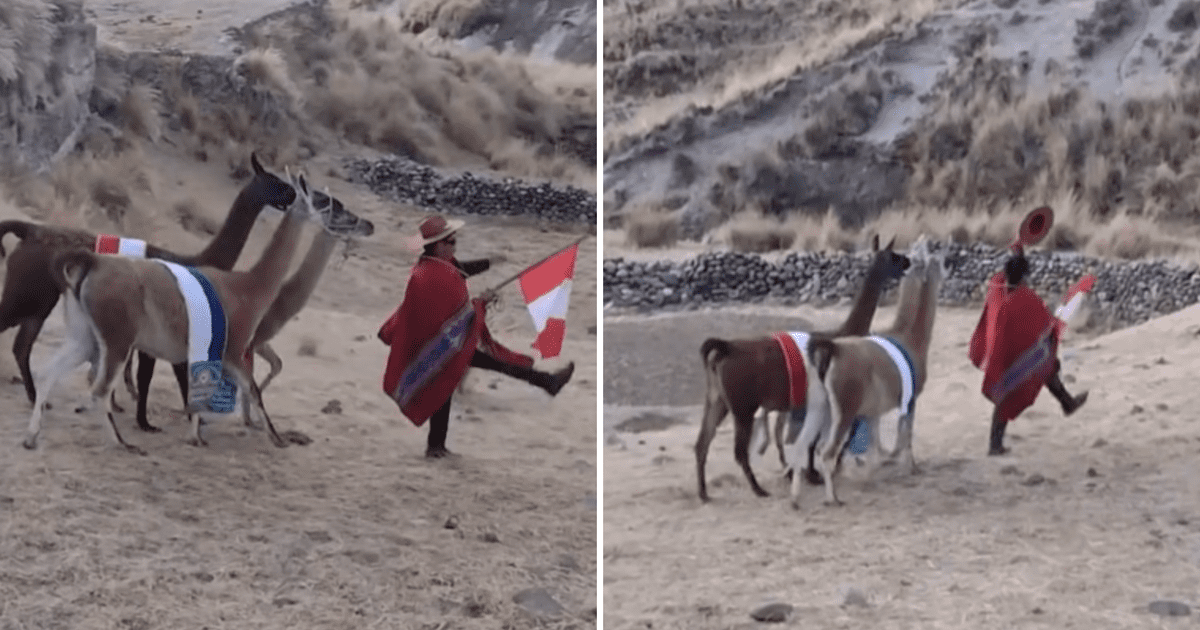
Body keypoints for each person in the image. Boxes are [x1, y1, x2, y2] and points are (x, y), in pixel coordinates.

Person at [379, 215, 575, 458]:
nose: (455, 245)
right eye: (451, 241)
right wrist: (481, 303)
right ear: (439, 244)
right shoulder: (431, 276)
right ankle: (547, 382)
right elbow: (456, 314)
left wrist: (490, 262)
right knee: (460, 377)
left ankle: (547, 382)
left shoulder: (435, 265)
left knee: (462, 377)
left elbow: (459, 272)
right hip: (438, 345)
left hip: (445, 344)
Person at [968, 248, 1088, 456]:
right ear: (1024, 276)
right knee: (1016, 388)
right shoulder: (1026, 298)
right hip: (1021, 356)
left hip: (1006, 356)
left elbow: (998, 281)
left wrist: (1017, 252)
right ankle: (994, 446)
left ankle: (1067, 402)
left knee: (1043, 369)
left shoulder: (1001, 294)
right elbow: (1045, 326)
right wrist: (1051, 349)